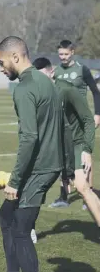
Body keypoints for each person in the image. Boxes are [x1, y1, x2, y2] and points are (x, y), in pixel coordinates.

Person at [0, 36, 63, 272]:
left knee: (20, 228)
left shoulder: (23, 89)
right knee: (5, 217)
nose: (0, 68)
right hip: (49, 164)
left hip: (38, 169)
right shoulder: (47, 82)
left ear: (15, 57)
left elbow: (30, 137)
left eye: (1, 62)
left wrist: (15, 181)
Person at [33, 57, 99, 227]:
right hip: (60, 147)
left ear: (52, 72)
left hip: (77, 143)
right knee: (82, 188)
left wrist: (87, 149)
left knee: (82, 187)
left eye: (43, 76)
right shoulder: (41, 95)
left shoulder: (67, 89)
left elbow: (88, 120)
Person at [50, 40, 100, 209]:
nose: (62, 57)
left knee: (84, 152)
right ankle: (63, 196)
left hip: (81, 118)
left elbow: (95, 91)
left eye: (65, 54)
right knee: (62, 155)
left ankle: (89, 192)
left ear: (72, 52)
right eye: (60, 54)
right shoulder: (56, 71)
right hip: (63, 120)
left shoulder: (82, 69)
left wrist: (97, 114)